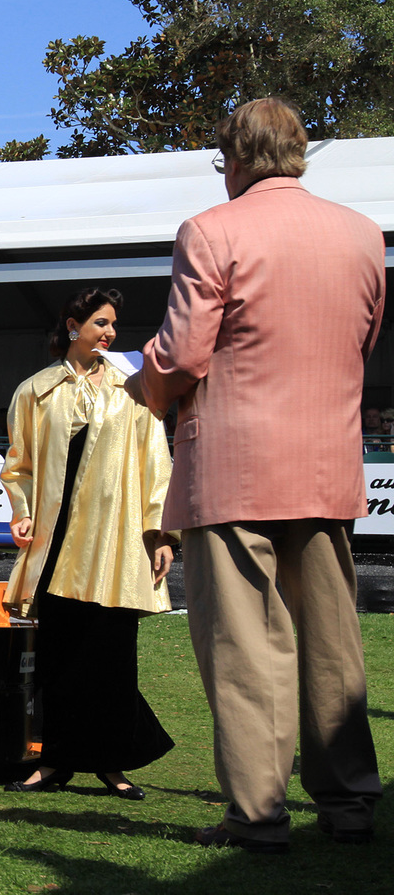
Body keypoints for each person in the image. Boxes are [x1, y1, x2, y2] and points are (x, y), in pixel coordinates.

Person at [127, 97, 384, 852]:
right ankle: (349, 805)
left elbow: (181, 356)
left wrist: (145, 382)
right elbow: (361, 344)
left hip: (235, 465)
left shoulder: (212, 229)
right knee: (333, 644)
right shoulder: (364, 234)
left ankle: (258, 813)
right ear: (301, 153)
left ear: (233, 159)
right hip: (326, 459)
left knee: (247, 647)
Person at [1, 286, 175, 801]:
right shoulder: (35, 391)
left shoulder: (133, 388)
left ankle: (111, 762)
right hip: (57, 545)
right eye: (101, 322)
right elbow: (19, 464)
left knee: (112, 650)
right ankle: (53, 760)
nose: (110, 333)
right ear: (73, 326)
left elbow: (154, 461)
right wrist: (23, 511)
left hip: (116, 543)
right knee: (59, 651)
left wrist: (158, 532)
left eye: (113, 324)